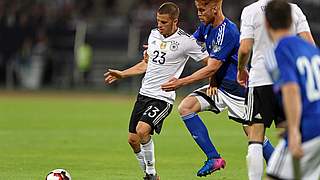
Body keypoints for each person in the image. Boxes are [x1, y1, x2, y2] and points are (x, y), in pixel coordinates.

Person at [161, 0, 274, 177]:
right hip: (219, 88)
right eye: (197, 9)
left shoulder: (227, 31)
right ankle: (213, 158)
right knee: (186, 107)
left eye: (202, 10)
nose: (199, 13)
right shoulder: (206, 26)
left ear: (214, 8)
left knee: (255, 137)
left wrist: (180, 82)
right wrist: (160, 49)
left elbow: (212, 66)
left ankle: (280, 167)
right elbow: (189, 44)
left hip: (239, 92)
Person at [104, 2, 211, 180]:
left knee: (142, 130)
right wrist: (123, 74)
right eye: (158, 21)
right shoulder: (154, 34)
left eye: (163, 22)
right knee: (133, 140)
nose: (159, 25)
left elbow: (210, 64)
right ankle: (148, 174)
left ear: (174, 21)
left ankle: (152, 174)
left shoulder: (186, 42)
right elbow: (147, 64)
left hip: (163, 97)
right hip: (144, 94)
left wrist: (199, 81)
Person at [237, 0, 315, 179]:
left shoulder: (250, 10)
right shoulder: (293, 9)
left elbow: (245, 48)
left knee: (255, 133)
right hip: (289, 80)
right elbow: (309, 45)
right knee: (289, 131)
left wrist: (241, 69)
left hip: (260, 79)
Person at [263, 1, 320, 179]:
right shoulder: (312, 50)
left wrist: (294, 130)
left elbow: (291, 89)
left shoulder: (278, 51)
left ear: (266, 23)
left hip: (309, 128)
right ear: (291, 20)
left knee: (274, 174)